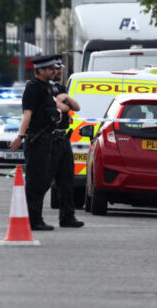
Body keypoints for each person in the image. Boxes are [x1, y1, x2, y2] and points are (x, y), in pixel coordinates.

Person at [9, 54, 64, 231]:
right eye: (50, 69)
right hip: (37, 139)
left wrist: (57, 115)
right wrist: (21, 136)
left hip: (47, 139)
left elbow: (51, 110)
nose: (54, 71)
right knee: (35, 181)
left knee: (43, 180)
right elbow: (28, 114)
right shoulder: (33, 88)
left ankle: (35, 217)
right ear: (40, 71)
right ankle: (33, 219)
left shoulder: (47, 87)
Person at [49, 62, 85, 228]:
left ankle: (67, 217)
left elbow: (75, 107)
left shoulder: (61, 88)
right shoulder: (44, 88)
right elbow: (61, 108)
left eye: (59, 69)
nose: (58, 72)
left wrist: (67, 97)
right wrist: (60, 101)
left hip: (63, 139)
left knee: (67, 181)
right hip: (49, 139)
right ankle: (33, 217)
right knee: (42, 181)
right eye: (55, 69)